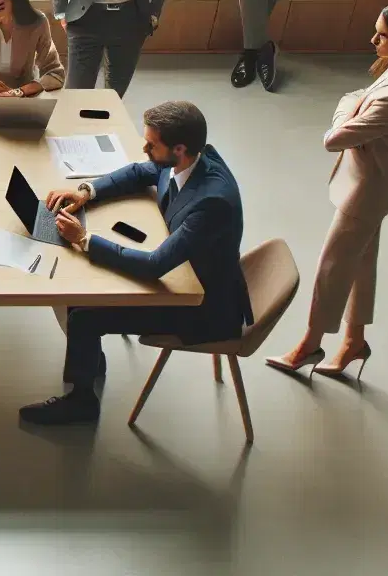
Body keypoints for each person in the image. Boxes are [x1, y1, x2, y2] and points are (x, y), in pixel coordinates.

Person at [20, 101, 250, 425]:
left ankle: (82, 403)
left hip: (202, 308)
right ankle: (89, 359)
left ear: (179, 148)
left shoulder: (212, 203)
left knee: (85, 315)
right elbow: (141, 171)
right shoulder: (191, 158)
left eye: (151, 144)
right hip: (188, 274)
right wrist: (86, 192)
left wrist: (84, 239)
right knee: (79, 294)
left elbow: (155, 265)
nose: (144, 148)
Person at [267, 0, 388, 382]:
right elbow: (360, 100)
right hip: (371, 188)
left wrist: (347, 106)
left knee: (332, 268)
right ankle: (353, 342)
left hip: (365, 195)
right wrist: (354, 106)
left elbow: (334, 138)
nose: (373, 39)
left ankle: (309, 345)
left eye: (383, 35)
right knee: (360, 265)